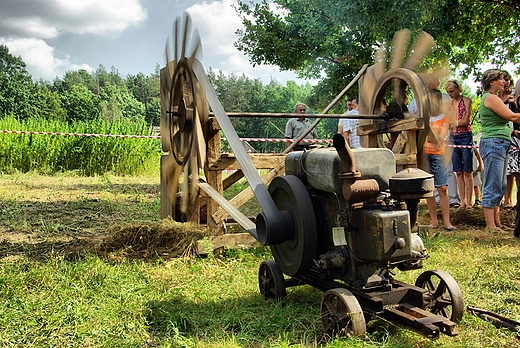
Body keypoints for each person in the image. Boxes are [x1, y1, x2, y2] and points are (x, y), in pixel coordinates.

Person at [479, 69, 520, 230]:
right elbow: (512, 117)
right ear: (492, 82)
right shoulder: (491, 98)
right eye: (501, 79)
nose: (504, 82)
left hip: (500, 143)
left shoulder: (494, 98)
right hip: (493, 143)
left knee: (501, 184)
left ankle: (497, 223)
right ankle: (490, 225)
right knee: (493, 183)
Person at [422, 89, 457, 231]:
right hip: (424, 155)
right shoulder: (422, 118)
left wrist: (425, 133)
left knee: (442, 188)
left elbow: (440, 138)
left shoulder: (444, 118)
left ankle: (447, 222)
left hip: (438, 154)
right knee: (428, 189)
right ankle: (434, 221)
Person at [445, 80, 474, 210]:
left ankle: (469, 201)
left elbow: (465, 120)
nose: (450, 94)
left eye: (452, 91)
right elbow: (447, 121)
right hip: (453, 137)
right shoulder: (448, 104)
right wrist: (454, 123)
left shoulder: (467, 100)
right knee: (458, 171)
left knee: (468, 171)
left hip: (465, 136)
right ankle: (462, 201)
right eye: (448, 92)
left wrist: (454, 123)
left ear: (458, 89)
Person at [501, 72, 519, 209]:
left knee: (517, 169)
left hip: (516, 136)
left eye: (507, 80)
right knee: (507, 171)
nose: (505, 83)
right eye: (503, 80)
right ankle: (506, 200)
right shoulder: (494, 99)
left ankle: (518, 199)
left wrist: (515, 104)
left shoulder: (515, 96)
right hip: (504, 135)